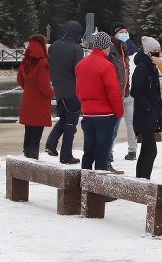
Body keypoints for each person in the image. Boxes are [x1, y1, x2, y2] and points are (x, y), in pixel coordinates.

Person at [76, 32, 123, 171]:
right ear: (107, 46)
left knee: (88, 153)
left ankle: (84, 183)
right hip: (105, 115)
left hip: (87, 114)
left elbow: (78, 91)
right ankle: (98, 189)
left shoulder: (81, 65)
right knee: (102, 154)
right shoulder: (107, 66)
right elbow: (113, 92)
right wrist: (118, 112)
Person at [44, 20, 84, 164]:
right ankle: (66, 155)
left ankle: (51, 142)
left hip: (58, 90)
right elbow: (79, 71)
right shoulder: (76, 48)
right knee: (70, 123)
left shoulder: (53, 46)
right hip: (73, 90)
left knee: (64, 118)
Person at [107, 22, 140, 171]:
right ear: (114, 34)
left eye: (126, 31)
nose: (124, 34)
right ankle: (110, 151)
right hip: (117, 92)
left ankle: (132, 150)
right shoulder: (112, 51)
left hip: (130, 91)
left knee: (131, 122)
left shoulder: (133, 51)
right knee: (114, 124)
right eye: (120, 32)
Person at [130, 37, 162, 179]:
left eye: (158, 51)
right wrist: (148, 107)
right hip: (144, 115)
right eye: (153, 51)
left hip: (151, 115)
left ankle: (140, 179)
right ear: (147, 52)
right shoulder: (142, 68)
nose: (156, 53)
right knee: (151, 151)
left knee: (145, 150)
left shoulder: (152, 68)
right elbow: (135, 91)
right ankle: (144, 180)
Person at [17, 34, 54, 160]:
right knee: (36, 136)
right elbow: (44, 86)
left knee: (28, 133)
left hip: (27, 101)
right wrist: (52, 93)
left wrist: (28, 89)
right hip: (39, 104)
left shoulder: (25, 61)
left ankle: (26, 160)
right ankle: (33, 163)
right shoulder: (42, 63)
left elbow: (19, 80)